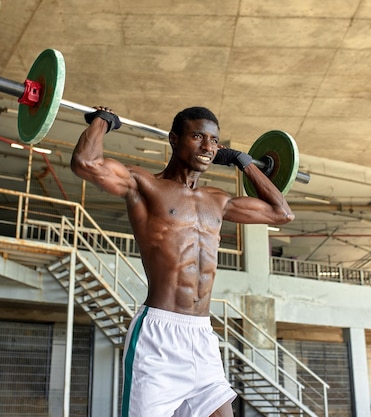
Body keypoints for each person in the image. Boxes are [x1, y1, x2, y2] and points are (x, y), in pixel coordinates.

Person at [71, 106, 295, 417]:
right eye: (198, 137)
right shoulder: (144, 185)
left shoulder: (218, 201)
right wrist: (102, 122)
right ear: (174, 140)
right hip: (158, 338)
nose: (208, 147)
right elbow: (86, 163)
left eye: (214, 141)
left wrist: (243, 162)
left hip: (202, 336)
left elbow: (281, 212)